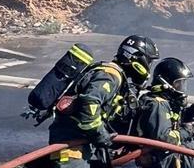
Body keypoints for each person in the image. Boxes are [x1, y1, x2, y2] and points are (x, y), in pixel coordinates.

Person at [49, 35, 160, 168]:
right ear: (137, 58)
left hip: (79, 143)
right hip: (71, 145)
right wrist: (100, 133)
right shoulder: (111, 75)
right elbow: (89, 103)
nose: (149, 67)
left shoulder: (115, 75)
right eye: (149, 61)